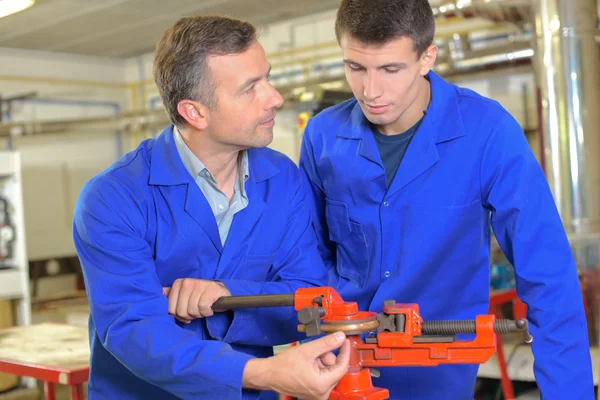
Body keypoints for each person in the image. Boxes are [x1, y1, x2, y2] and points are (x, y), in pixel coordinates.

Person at [298, 0, 594, 399]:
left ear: (427, 58)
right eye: (356, 67)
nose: (370, 91)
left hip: (437, 367)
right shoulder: (322, 137)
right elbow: (306, 259)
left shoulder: (487, 131)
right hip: (339, 366)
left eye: (390, 69)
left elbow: (547, 272)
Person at [73, 15, 351, 400]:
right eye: (250, 88)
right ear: (195, 112)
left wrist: (227, 294)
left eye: (266, 77)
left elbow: (307, 299)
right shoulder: (112, 198)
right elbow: (134, 330)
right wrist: (260, 372)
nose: (275, 97)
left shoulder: (283, 180)